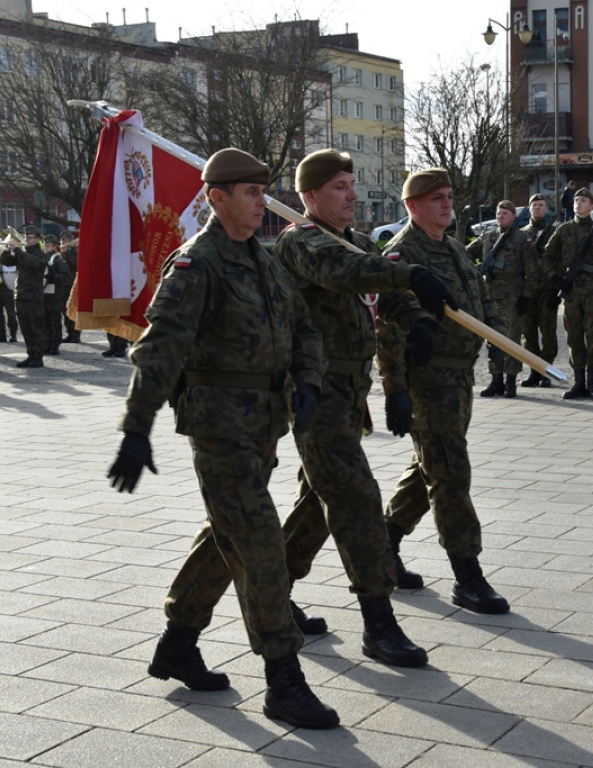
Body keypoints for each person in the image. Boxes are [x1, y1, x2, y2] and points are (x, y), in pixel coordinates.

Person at [106, 147, 339, 730]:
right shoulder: (196, 263)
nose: (264, 203)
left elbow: (303, 326)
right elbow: (159, 348)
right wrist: (137, 427)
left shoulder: (264, 260)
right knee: (260, 540)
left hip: (264, 424)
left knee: (226, 532)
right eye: (252, 193)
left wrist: (307, 382)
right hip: (219, 426)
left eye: (264, 192)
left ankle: (178, 642)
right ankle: (283, 678)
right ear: (217, 198)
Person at [276, 148, 454, 667]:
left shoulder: (349, 240)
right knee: (355, 498)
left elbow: (379, 292)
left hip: (350, 396)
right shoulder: (302, 242)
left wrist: (414, 315)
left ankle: (273, 590)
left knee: (318, 501)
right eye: (339, 187)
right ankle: (379, 622)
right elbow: (349, 274)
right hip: (317, 396)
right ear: (309, 197)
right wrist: (407, 277)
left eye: (352, 185)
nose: (352, 195)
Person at [376, 168, 511, 615]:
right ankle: (467, 576)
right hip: (428, 378)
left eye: (449, 197)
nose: (447, 204)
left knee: (429, 466)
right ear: (412, 206)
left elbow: (480, 299)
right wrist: (394, 387)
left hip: (459, 377)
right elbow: (389, 327)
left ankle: (384, 545)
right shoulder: (401, 255)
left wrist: (502, 343)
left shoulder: (453, 248)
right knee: (450, 471)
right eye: (436, 198)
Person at [543, 186, 593, 400]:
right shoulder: (563, 230)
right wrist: (556, 278)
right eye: (576, 200)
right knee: (573, 337)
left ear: (592, 206)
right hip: (572, 292)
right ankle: (579, 383)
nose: (579, 203)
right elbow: (547, 256)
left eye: (584, 200)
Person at [468, 199, 538, 398]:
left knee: (511, 338)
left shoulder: (521, 239)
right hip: (490, 294)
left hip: (512, 295)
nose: (500, 216)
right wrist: (474, 272)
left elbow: (532, 271)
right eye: (498, 213)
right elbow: (465, 253)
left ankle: (510, 381)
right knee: (492, 338)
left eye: (505, 214)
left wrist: (526, 295)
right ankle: (495, 379)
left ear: (514, 217)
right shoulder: (488, 236)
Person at [520, 194, 559, 388]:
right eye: (534, 205)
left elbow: (559, 261)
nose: (537, 208)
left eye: (541, 205)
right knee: (528, 334)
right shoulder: (521, 233)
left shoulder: (554, 232)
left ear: (546, 209)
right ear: (529, 208)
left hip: (547, 289)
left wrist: (556, 288)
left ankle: (547, 371)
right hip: (528, 290)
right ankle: (534, 371)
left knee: (548, 332)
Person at [0, 226, 49, 368]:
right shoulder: (23, 254)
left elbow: (32, 263)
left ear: (38, 239)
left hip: (33, 296)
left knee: (36, 328)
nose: (27, 239)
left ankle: (38, 357)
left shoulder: (41, 255)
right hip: (20, 295)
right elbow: (6, 261)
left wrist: (19, 250)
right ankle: (30, 355)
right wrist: (8, 249)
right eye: (26, 237)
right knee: (25, 328)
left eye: (31, 237)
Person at [42, 234, 72, 355]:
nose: (46, 247)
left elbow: (66, 277)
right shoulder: (43, 258)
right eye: (45, 245)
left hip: (55, 294)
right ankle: (47, 343)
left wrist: (52, 277)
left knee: (54, 321)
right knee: (45, 321)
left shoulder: (58, 259)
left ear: (55, 246)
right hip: (44, 293)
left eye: (48, 245)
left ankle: (55, 345)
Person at [60, 230, 80, 343]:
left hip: (72, 283)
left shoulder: (74, 251)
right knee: (65, 310)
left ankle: (76, 334)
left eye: (66, 240)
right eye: (62, 240)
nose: (64, 242)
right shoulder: (61, 251)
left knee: (73, 309)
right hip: (63, 284)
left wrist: (66, 253)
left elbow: (76, 264)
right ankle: (69, 332)